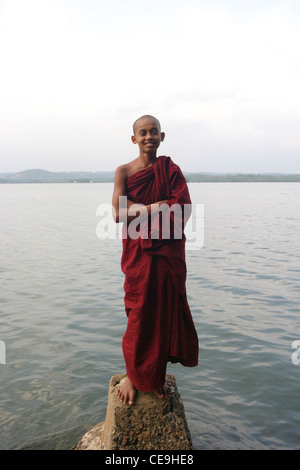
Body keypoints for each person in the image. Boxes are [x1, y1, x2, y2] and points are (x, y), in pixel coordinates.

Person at [112, 115, 199, 406]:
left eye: (154, 132)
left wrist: (141, 209)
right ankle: (132, 375)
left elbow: (183, 209)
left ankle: (153, 376)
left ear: (162, 137)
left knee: (161, 312)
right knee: (138, 312)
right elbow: (117, 213)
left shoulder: (170, 170)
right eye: (143, 132)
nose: (149, 137)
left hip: (165, 253)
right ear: (134, 138)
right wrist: (156, 206)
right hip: (138, 254)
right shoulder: (123, 171)